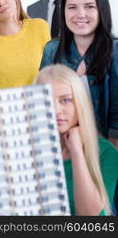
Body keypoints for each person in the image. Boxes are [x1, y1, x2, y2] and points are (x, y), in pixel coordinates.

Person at [40, 0, 118, 148]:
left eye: (89, 7)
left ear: (101, 10)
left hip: (104, 145)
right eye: (72, 7)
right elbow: (42, 102)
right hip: (64, 146)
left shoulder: (115, 49)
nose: (80, 14)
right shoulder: (51, 50)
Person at [35, 64, 118, 215]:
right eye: (45, 100)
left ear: (79, 103)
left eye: (65, 100)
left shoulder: (107, 154)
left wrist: (76, 151)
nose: (56, 110)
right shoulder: (24, 149)